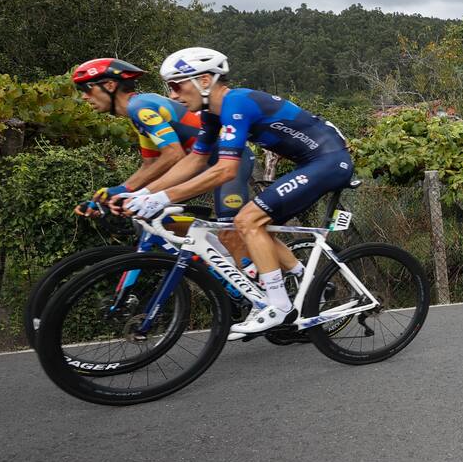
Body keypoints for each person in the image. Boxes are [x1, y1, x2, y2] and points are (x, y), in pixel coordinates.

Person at [118, 48, 355, 334]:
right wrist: (143, 194)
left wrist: (161, 197)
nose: (172, 96)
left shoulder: (237, 103)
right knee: (251, 223)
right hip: (312, 162)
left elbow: (226, 170)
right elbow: (195, 160)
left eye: (176, 85)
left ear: (204, 80)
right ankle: (304, 280)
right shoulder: (212, 115)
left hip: (330, 161)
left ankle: (279, 306)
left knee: (247, 220)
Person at [71, 57, 253, 257]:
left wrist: (126, 192)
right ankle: (219, 256)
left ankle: (254, 267)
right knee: (151, 215)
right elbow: (150, 164)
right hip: (201, 164)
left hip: (230, 162)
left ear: (110, 85)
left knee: (230, 231)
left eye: (87, 89)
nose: (85, 97)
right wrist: (118, 193)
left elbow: (174, 154)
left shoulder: (139, 107)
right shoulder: (137, 113)